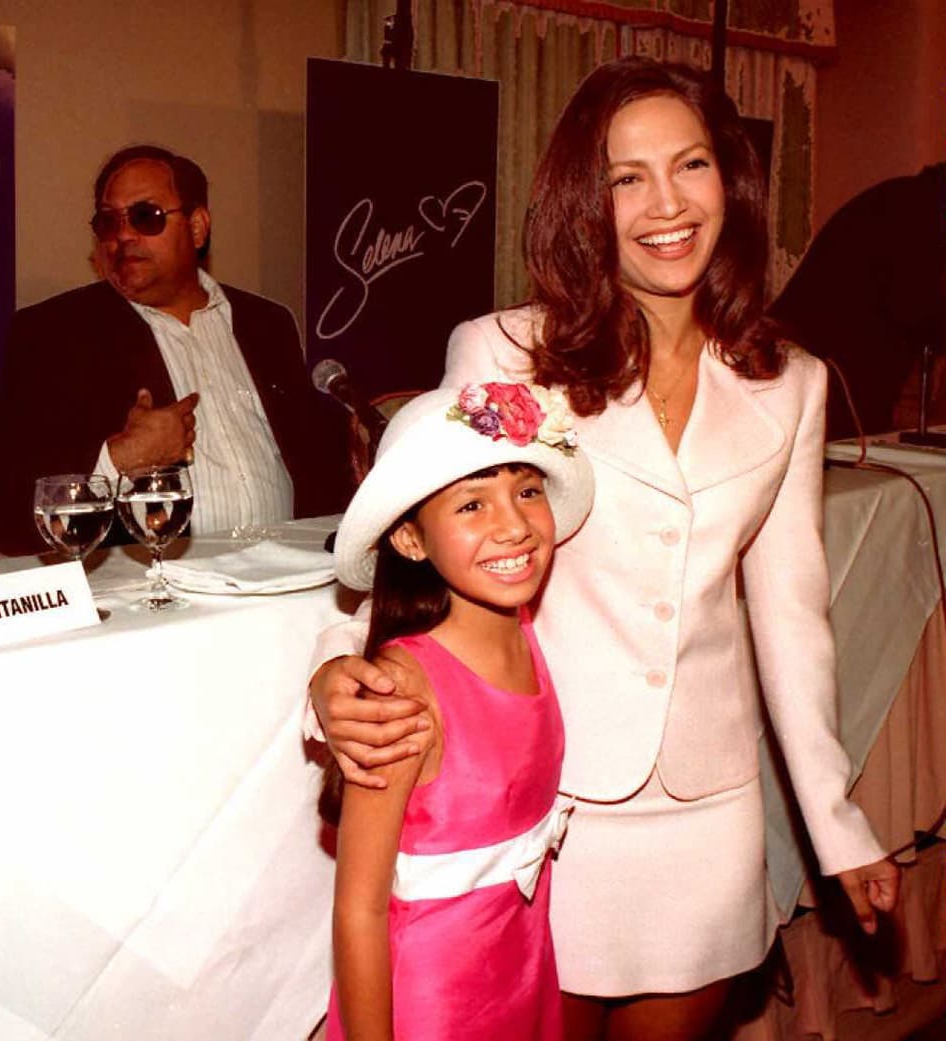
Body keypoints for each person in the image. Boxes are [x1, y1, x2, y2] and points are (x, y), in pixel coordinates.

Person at [308, 57, 899, 1041]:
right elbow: (423, 552)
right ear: (583, 200)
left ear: (731, 182)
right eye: (626, 176)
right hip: (551, 801)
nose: (665, 204)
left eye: (692, 164)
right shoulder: (503, 352)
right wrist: (333, 683)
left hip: (707, 811)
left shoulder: (789, 382)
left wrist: (836, 826)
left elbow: (792, 615)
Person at [323, 379, 593, 1041]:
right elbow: (358, 910)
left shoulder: (530, 629)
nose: (514, 523)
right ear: (412, 541)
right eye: (471, 503)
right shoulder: (403, 690)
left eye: (527, 489)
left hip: (521, 974)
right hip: (433, 1002)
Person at [0, 144, 350, 553]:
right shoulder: (53, 334)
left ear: (197, 228)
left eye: (146, 217)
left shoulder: (268, 323)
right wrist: (118, 459)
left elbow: (317, 473)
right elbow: (12, 522)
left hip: (290, 574)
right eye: (109, 222)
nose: (124, 235)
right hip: (158, 591)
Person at [769, 163, 946, 439]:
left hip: (832, 368)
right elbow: (914, 309)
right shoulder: (912, 207)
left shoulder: (908, 198)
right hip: (823, 367)